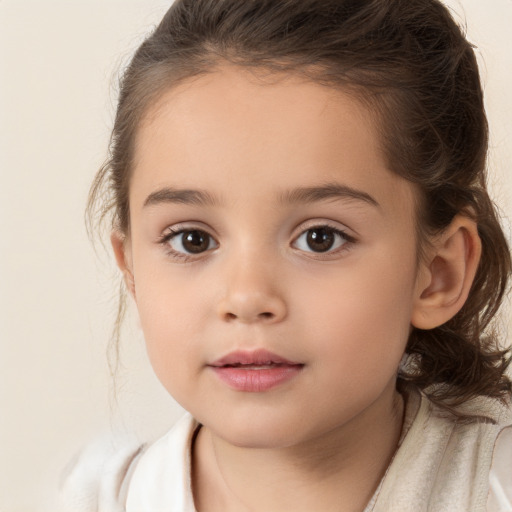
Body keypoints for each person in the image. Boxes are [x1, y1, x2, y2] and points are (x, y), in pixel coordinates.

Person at [59, 0, 512, 510]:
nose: (248, 297)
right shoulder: (93, 498)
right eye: (193, 240)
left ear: (437, 275)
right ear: (132, 269)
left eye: (321, 237)